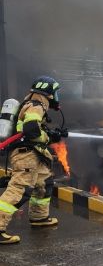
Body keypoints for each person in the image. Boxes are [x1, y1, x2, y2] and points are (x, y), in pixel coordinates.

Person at [0, 76, 64, 244]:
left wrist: (50, 135)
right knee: (19, 189)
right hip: (26, 154)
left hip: (35, 154)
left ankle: (39, 217)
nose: (56, 97)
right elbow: (31, 131)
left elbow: (33, 129)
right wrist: (49, 137)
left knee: (44, 182)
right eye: (55, 93)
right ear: (48, 93)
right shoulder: (36, 106)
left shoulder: (32, 105)